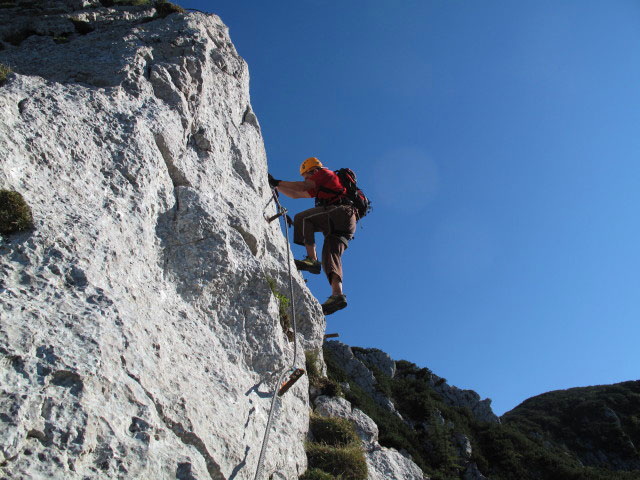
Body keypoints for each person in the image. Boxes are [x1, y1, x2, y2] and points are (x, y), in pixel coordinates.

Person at [269, 157, 356, 315]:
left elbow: (302, 186)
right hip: (345, 223)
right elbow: (296, 194)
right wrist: (276, 185)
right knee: (330, 255)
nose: (306, 178)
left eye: (307, 175)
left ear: (313, 171)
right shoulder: (322, 183)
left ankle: (311, 260)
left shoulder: (324, 173)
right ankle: (337, 295)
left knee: (302, 219)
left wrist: (277, 181)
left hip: (340, 212)